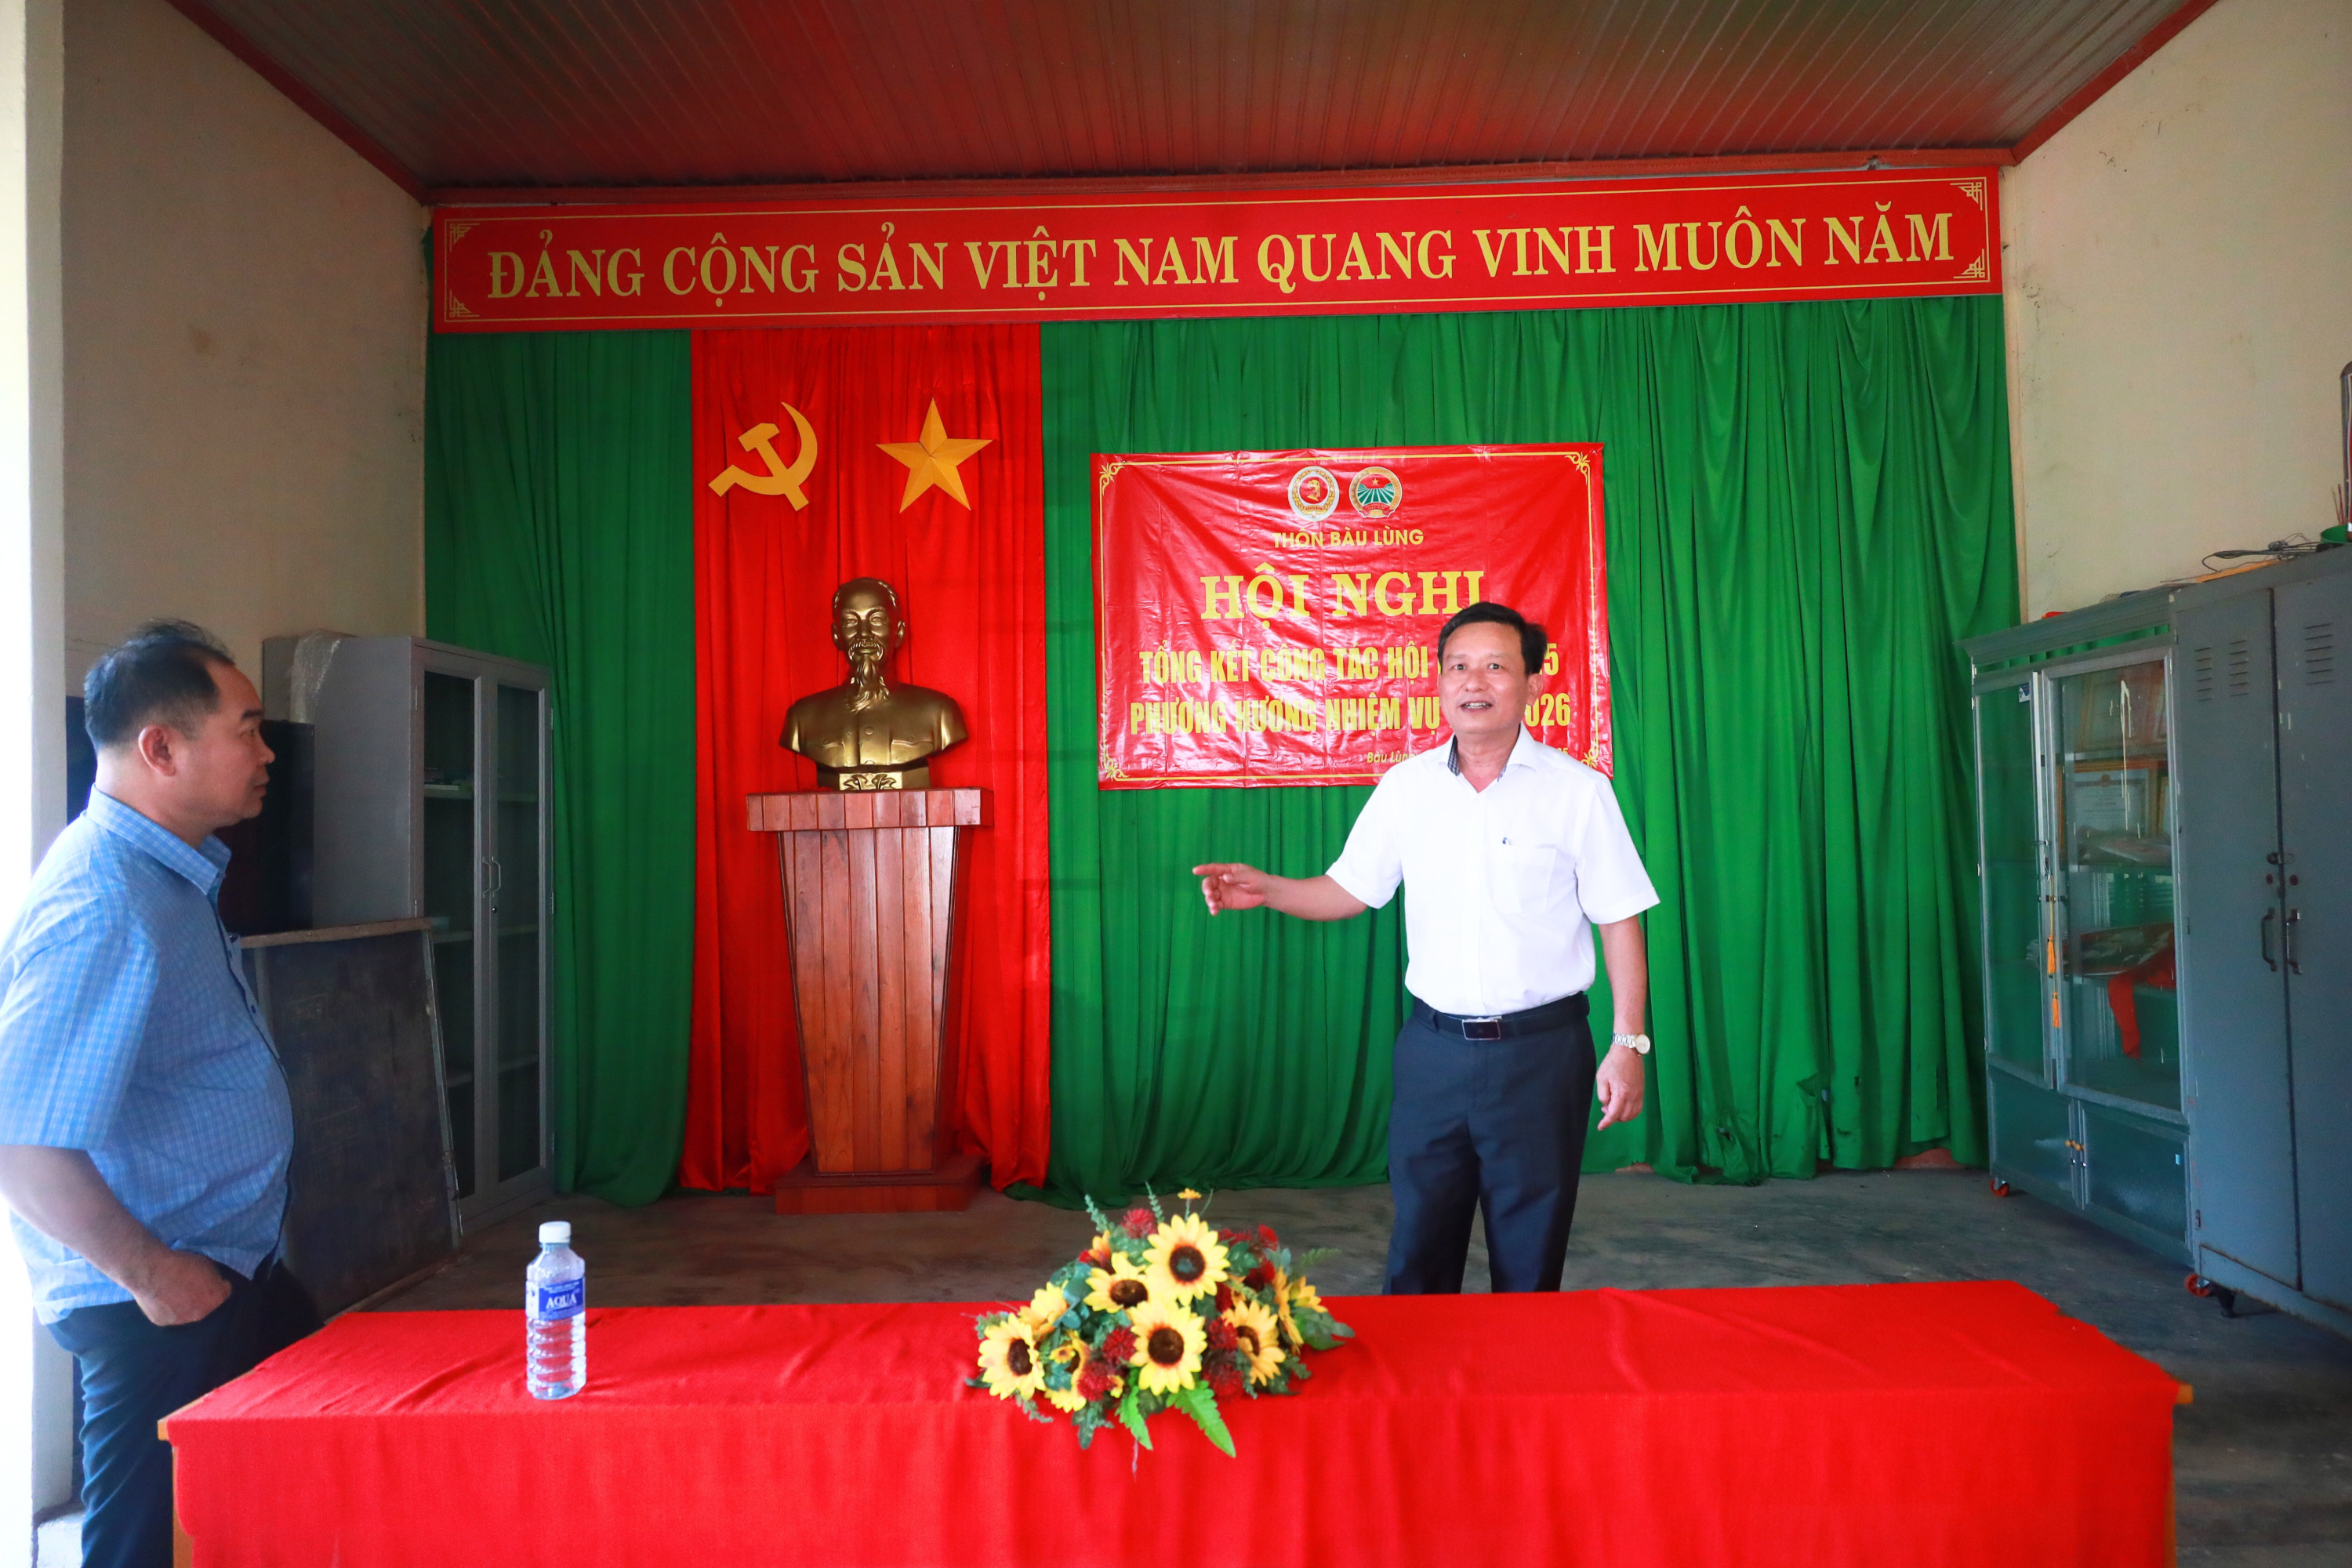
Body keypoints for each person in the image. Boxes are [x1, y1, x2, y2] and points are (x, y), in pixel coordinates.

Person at [1193, 601, 1658, 1294]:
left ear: (1533, 684)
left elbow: (1619, 917)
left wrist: (1629, 1043)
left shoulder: (1578, 792)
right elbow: (1349, 890)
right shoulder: (1406, 788)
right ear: (1440, 683)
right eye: (1458, 666)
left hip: (1540, 1055)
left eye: (1496, 666)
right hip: (1432, 1055)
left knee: (1530, 1260)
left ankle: (1521, 1366)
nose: (1475, 681)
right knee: (1418, 1253)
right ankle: (1417, 1368)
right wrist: (1269, 890)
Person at [0, 621, 317, 1568]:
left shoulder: (165, 875)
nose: (267, 752)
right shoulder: (106, 902)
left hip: (225, 1267)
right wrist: (154, 1274)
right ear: (161, 747)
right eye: (248, 728)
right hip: (163, 1297)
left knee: (280, 1487)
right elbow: (20, 1138)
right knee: (144, 1543)